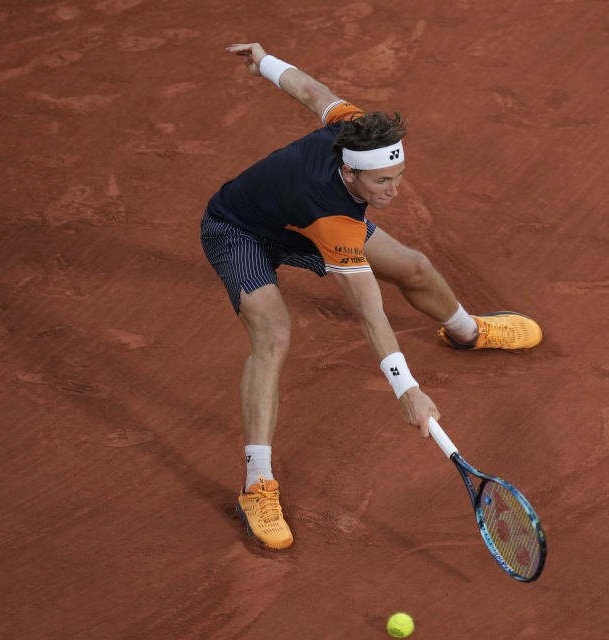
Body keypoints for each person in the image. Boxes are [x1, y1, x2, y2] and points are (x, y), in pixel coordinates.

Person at [201, 43, 542, 550]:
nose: (394, 190)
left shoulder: (350, 127)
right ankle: (257, 485)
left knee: (414, 266)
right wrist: (407, 391)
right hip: (239, 230)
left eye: (399, 176)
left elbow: (310, 90)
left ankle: (468, 331)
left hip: (295, 218)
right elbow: (369, 312)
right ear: (349, 173)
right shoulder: (336, 221)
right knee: (273, 333)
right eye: (383, 182)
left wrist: (264, 61)